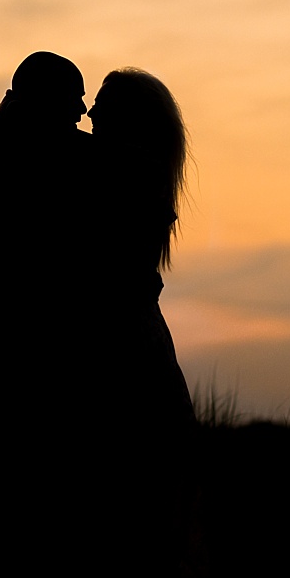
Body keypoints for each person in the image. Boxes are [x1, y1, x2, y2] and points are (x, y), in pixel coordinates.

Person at [0, 50, 93, 430]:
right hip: (6, 367)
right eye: (73, 97)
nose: (83, 110)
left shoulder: (2, 151)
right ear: (43, 100)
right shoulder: (20, 163)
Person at [80, 66, 197, 431]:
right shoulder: (131, 168)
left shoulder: (127, 169)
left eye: (103, 105)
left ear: (132, 117)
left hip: (123, 346)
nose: (90, 114)